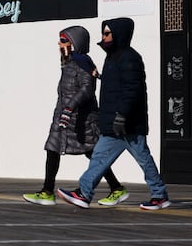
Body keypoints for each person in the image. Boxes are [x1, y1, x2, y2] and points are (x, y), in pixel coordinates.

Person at [57, 18, 171, 210]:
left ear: (119, 34)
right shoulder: (112, 57)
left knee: (143, 158)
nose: (104, 37)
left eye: (108, 33)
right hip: (113, 124)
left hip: (128, 124)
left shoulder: (129, 57)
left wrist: (122, 115)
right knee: (99, 158)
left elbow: (131, 90)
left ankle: (159, 195)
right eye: (103, 33)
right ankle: (84, 193)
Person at [23, 26, 128, 207]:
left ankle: (117, 188)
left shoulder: (82, 63)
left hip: (82, 118)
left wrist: (70, 109)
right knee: (52, 148)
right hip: (64, 117)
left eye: (64, 41)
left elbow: (87, 89)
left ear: (74, 43)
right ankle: (47, 191)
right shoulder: (69, 62)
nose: (59, 44)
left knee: (93, 153)